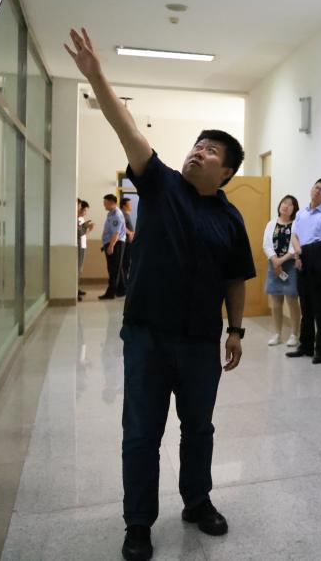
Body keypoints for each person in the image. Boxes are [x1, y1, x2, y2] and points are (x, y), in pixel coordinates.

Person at [65, 28, 256, 561]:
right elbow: (125, 127)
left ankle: (197, 501)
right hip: (147, 336)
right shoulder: (160, 182)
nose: (198, 152)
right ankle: (138, 523)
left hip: (199, 342)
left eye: (211, 150)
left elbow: (235, 278)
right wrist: (97, 77)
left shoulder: (230, 219)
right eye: (197, 145)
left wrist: (236, 330)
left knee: (199, 428)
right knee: (141, 434)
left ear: (227, 171)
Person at [286, 178, 321, 363]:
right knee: (305, 307)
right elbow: (294, 236)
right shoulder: (301, 213)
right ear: (311, 189)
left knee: (320, 309)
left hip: (319, 261)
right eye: (316, 187)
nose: (318, 191)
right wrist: (298, 256)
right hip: (302, 261)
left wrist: (306, 251)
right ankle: (305, 346)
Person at [262, 195, 301, 346]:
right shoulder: (271, 223)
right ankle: (277, 334)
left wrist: (281, 260)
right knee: (276, 300)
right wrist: (274, 260)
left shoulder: (296, 224)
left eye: (290, 204)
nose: (286, 206)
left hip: (290, 265)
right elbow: (266, 244)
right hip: (273, 264)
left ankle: (294, 335)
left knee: (292, 300)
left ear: (294, 209)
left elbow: (295, 245)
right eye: (284, 203)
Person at [99, 193, 127, 300]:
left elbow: (116, 233)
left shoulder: (116, 215)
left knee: (113, 269)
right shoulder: (111, 213)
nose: (104, 205)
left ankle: (111, 293)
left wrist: (111, 246)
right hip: (112, 243)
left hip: (116, 243)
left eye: (105, 203)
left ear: (111, 203)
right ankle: (122, 289)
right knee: (117, 267)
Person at [77, 199, 94, 300]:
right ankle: (75, 290)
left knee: (80, 269)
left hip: (82, 246)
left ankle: (77, 288)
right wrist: (89, 229)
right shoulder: (76, 219)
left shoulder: (81, 219)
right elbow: (80, 234)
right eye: (84, 210)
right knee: (78, 269)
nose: (85, 212)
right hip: (79, 246)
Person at [120, 196, 136, 283]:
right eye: (129, 204)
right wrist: (129, 233)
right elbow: (121, 226)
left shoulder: (126, 214)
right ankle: (124, 283)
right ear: (124, 206)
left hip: (128, 241)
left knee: (127, 263)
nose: (131, 206)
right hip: (125, 242)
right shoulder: (122, 214)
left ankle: (125, 282)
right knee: (125, 263)